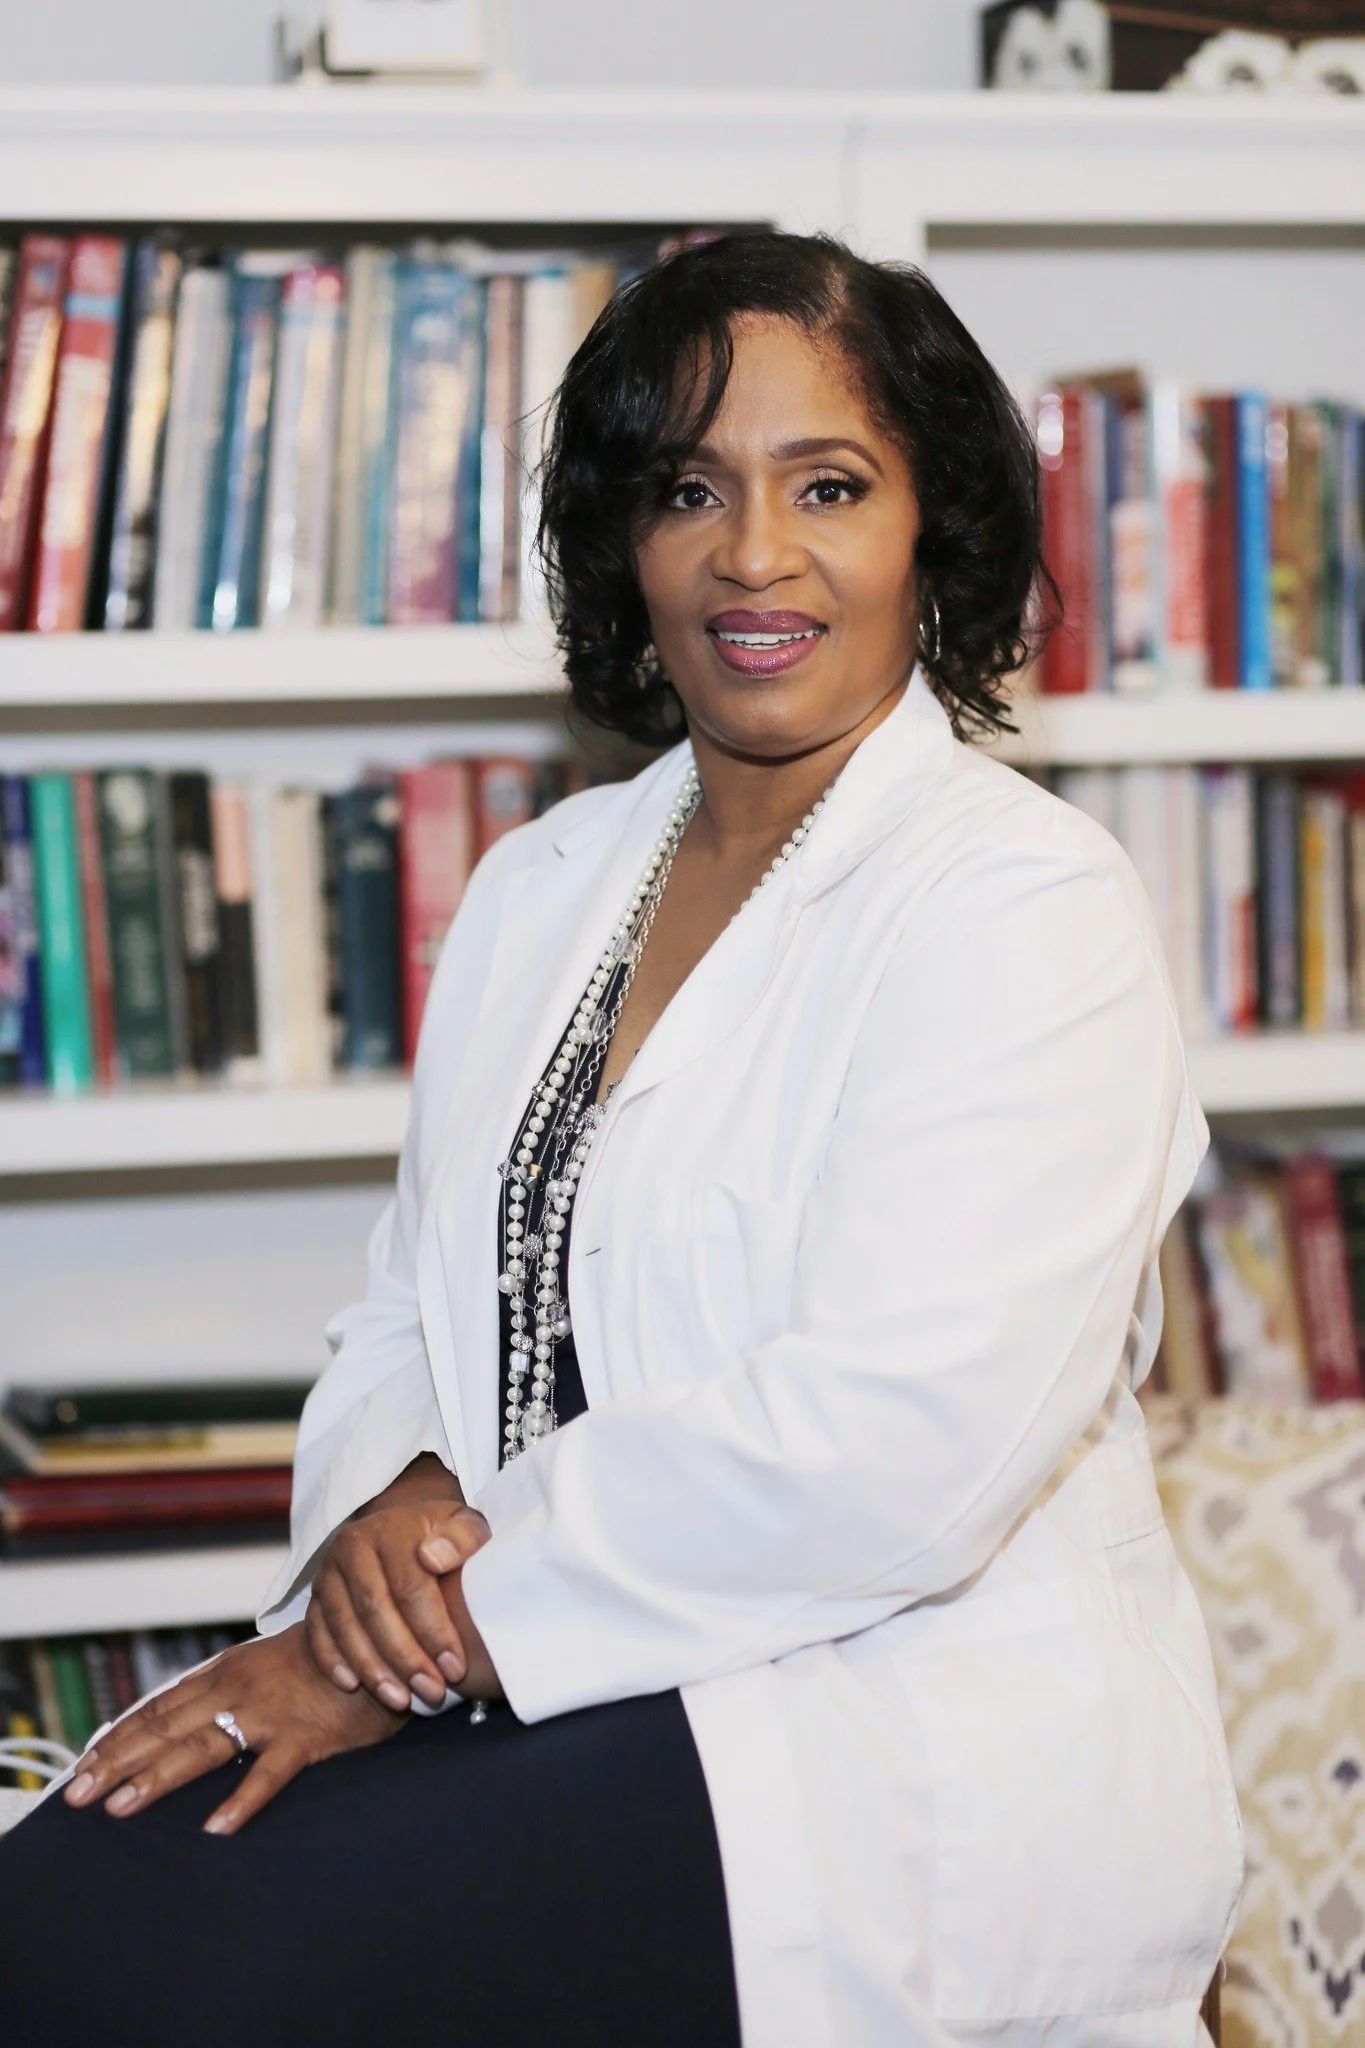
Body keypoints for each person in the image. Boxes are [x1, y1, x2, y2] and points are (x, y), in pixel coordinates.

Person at [0, 230, 1241, 2047]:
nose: (756, 554)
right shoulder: (541, 885)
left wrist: (424, 1640)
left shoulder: (1026, 904)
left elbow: (897, 1442)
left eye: (831, 486)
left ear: (934, 528)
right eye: (688, 489)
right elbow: (405, 1313)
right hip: (538, 1681)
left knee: (157, 1963)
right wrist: (388, 1506)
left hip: (875, 1750)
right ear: (625, 540)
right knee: (65, 1890)